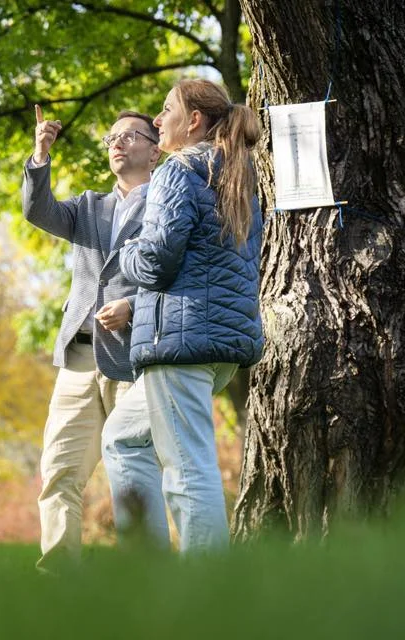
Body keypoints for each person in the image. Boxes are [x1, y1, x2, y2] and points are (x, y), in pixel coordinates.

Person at [103, 78, 264, 552]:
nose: (156, 120)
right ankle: (146, 566)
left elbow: (155, 261)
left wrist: (127, 249)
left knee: (187, 465)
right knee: (122, 438)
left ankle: (206, 590)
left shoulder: (177, 171)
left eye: (166, 109)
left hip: (179, 343)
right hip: (217, 347)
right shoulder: (236, 173)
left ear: (194, 121)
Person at [24, 104, 162, 569]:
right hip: (78, 362)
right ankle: (58, 574)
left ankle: (143, 572)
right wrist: (41, 153)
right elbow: (37, 211)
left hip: (134, 360)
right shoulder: (88, 206)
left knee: (134, 473)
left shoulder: (169, 207)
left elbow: (181, 278)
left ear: (155, 150)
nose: (118, 143)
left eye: (130, 135)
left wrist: (136, 307)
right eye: (112, 138)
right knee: (59, 472)